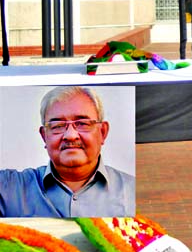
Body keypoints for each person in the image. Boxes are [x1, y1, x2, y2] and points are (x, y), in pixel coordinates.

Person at [0, 86, 135, 217]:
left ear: (103, 132)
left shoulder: (132, 191)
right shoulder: (10, 189)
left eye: (82, 123)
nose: (70, 135)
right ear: (44, 136)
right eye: (57, 126)